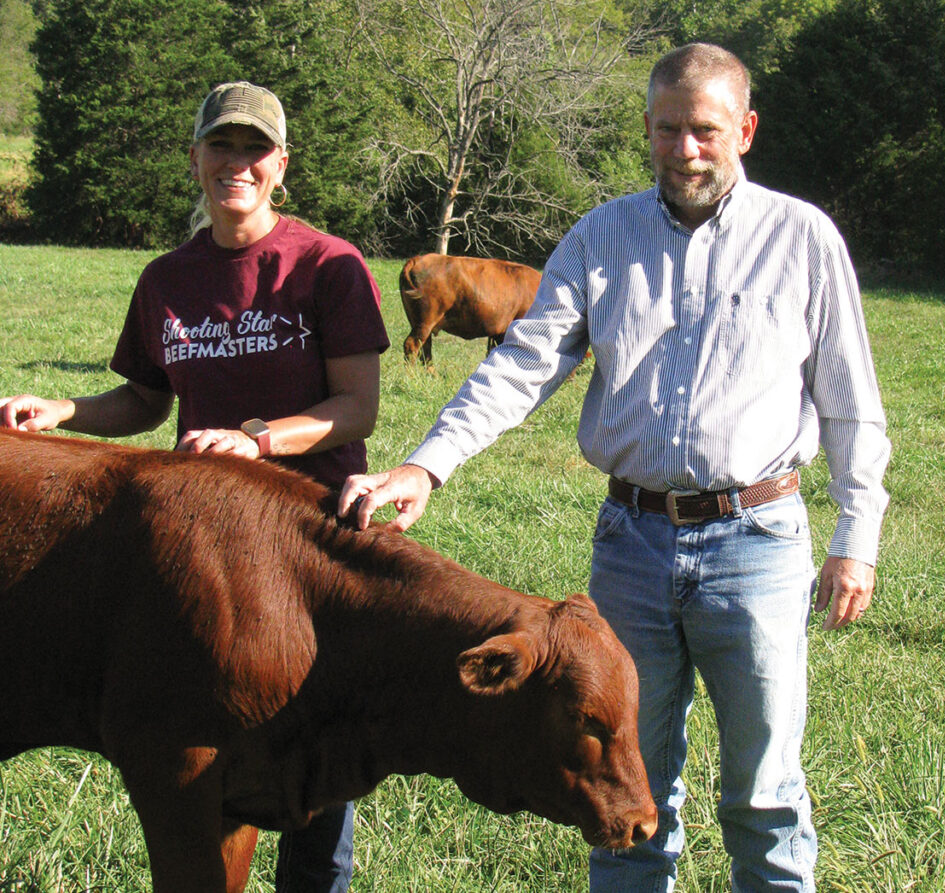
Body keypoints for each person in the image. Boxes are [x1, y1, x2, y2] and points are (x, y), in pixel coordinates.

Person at [338, 44, 890, 892]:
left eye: (705, 130)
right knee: (622, 789)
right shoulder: (601, 236)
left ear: (744, 130)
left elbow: (850, 401)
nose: (685, 150)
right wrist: (426, 465)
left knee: (765, 790)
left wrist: (857, 535)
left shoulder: (802, 239)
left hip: (758, 542)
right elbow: (523, 364)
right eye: (667, 129)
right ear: (647, 129)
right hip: (631, 546)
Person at [0, 81, 390, 893]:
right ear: (195, 159)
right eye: (221, 146)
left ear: (281, 165)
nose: (236, 164)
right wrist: (61, 407)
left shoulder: (328, 264)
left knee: (314, 770)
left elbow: (357, 409)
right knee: (213, 740)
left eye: (254, 150)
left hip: (315, 546)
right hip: (209, 556)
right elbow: (145, 401)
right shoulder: (167, 280)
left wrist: (256, 441)